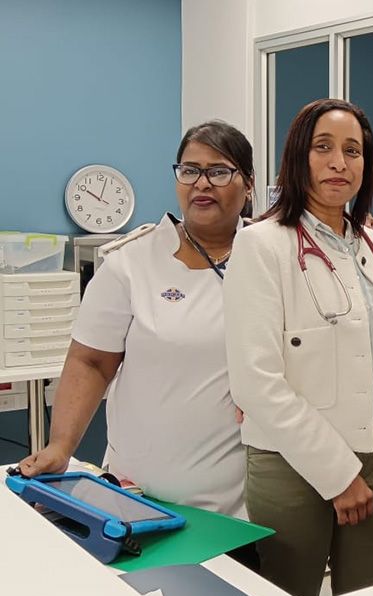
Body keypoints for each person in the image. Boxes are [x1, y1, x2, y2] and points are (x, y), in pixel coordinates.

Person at [224, 98, 373, 596]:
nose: (339, 162)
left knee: (368, 594)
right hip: (293, 461)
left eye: (353, 151)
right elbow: (254, 381)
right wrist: (338, 472)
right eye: (323, 147)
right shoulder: (262, 245)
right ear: (296, 157)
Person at [17, 121, 254, 521]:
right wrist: (61, 446)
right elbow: (90, 362)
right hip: (141, 494)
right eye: (189, 170)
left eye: (218, 171)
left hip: (246, 500)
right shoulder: (132, 262)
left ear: (248, 184)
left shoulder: (273, 256)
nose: (201, 183)